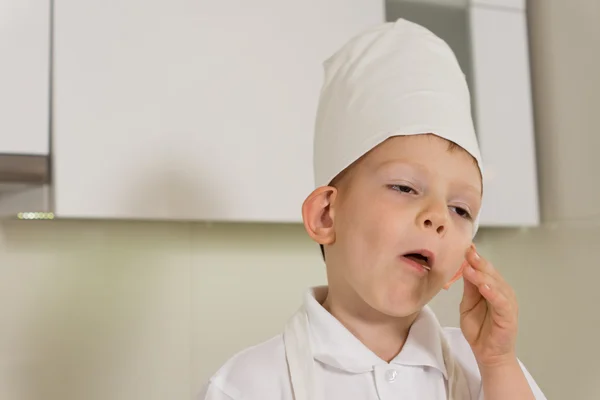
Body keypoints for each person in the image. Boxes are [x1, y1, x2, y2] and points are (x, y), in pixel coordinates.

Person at [199, 18, 546, 399]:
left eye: (461, 210)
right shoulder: (247, 385)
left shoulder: (486, 369)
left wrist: (498, 362)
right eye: (405, 187)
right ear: (326, 215)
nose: (439, 218)